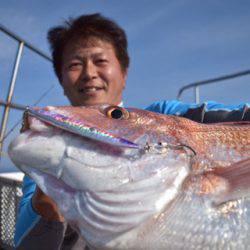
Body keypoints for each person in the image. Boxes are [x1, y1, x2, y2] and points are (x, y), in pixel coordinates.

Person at [14, 13, 250, 250]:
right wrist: (49, 197)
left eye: (100, 61)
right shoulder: (44, 160)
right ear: (62, 80)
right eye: (75, 64)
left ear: (123, 74)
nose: (89, 73)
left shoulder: (166, 114)